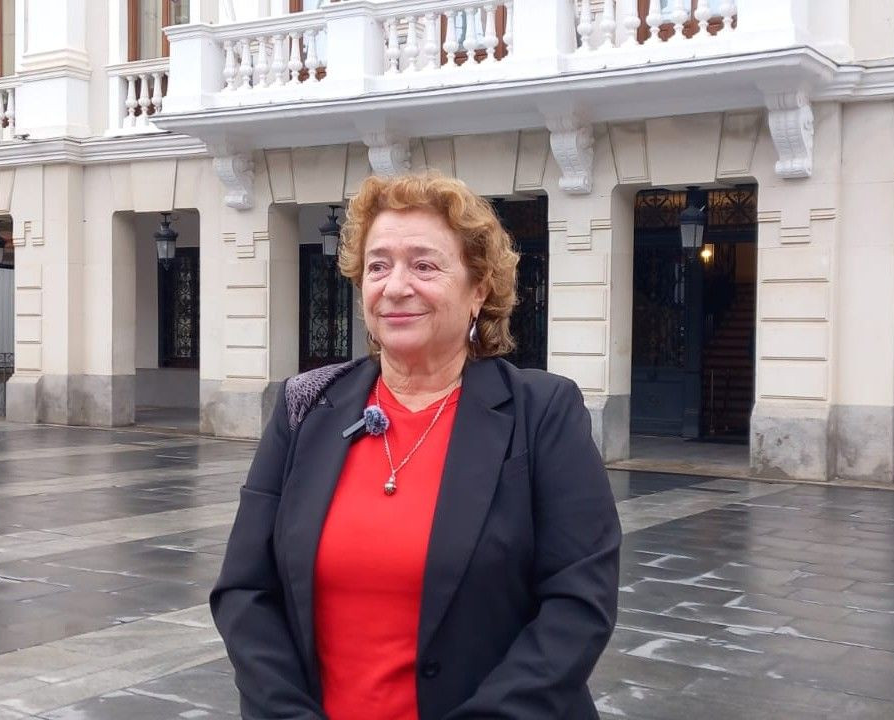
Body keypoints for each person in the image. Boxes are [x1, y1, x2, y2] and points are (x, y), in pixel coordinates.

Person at [210, 173, 621, 720]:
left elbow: (578, 603)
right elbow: (243, 592)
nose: (396, 285)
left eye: (424, 265)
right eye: (378, 265)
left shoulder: (541, 412)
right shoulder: (306, 406)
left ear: (479, 289)